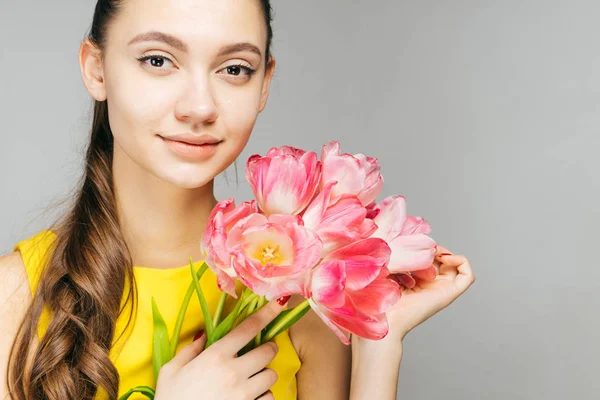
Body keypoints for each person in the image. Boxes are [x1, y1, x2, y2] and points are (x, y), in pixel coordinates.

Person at [0, 0, 475, 399]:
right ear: (96, 68)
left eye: (234, 69)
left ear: (264, 83)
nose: (200, 108)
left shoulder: (299, 298)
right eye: (158, 60)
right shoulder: (13, 298)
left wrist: (379, 340)